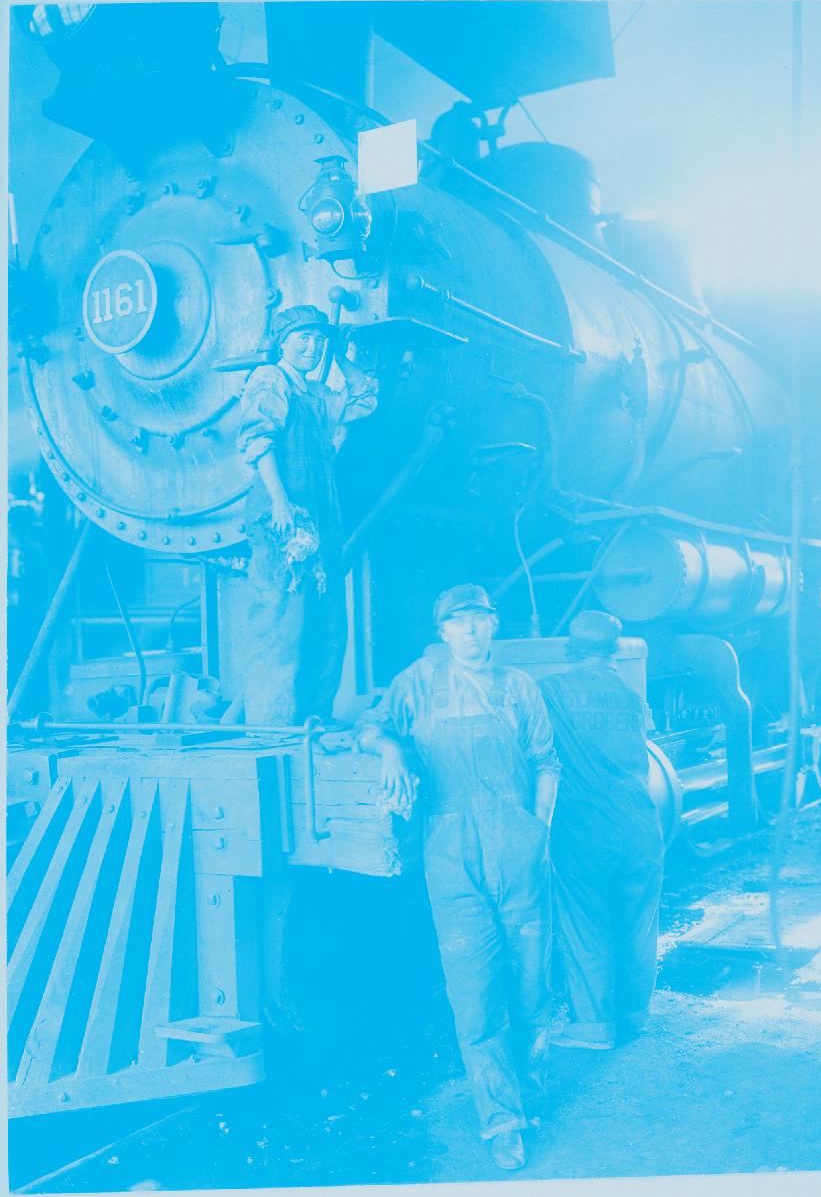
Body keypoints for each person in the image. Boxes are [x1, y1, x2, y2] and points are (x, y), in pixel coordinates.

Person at [356, 584, 560, 1171]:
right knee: (474, 995)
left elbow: (547, 762)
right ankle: (501, 1120)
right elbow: (369, 726)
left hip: (519, 849)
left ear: (494, 625)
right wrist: (390, 751)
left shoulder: (519, 687)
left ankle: (529, 1092)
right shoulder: (417, 683)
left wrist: (538, 831)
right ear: (443, 631)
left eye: (479, 619)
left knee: (532, 988)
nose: (470, 630)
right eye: (458, 621)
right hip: (451, 855)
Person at [237, 304, 377, 725]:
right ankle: (274, 725)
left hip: (321, 518)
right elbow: (259, 442)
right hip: (284, 517)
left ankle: (315, 717)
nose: (312, 347)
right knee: (282, 621)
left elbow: (364, 399)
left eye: (318, 340)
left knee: (327, 620)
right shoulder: (270, 379)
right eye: (303, 339)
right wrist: (280, 502)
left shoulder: (314, 394)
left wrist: (341, 354)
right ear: (283, 343)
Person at [538, 610, 664, 1050]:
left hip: (585, 826)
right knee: (638, 922)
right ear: (613, 650)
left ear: (571, 649)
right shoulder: (630, 695)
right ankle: (635, 1014)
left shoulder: (550, 690)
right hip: (640, 822)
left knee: (586, 922)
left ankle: (592, 1026)